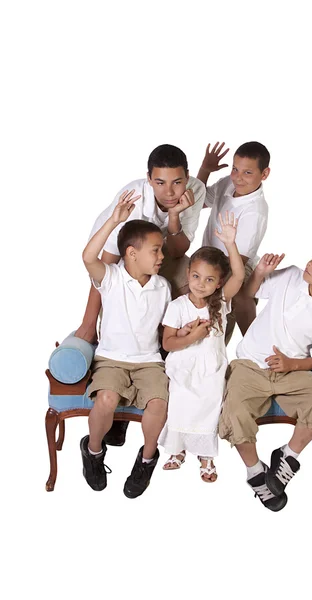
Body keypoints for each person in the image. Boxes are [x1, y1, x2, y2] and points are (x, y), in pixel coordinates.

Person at [76, 144, 205, 446]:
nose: (170, 191)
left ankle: (171, 366)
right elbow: (103, 263)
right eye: (160, 182)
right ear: (148, 179)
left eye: (177, 182)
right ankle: (119, 412)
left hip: (163, 252)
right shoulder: (132, 200)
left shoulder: (194, 191)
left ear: (187, 178)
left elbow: (177, 249)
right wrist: (88, 323)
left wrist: (173, 215)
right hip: (124, 249)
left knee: (193, 285)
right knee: (123, 296)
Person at [219, 241, 312, 510]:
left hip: (292, 370)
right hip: (250, 364)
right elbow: (247, 295)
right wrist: (260, 271)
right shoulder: (292, 276)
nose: (311, 263)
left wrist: (291, 365)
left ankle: (288, 456)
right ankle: (255, 472)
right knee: (235, 412)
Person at [80, 190, 171, 498]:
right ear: (132, 254)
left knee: (158, 403)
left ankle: (146, 460)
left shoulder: (163, 287)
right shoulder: (112, 277)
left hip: (149, 361)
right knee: (105, 400)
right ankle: (93, 452)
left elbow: (165, 329)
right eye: (156, 251)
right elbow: (88, 257)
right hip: (111, 359)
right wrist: (114, 220)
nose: (161, 257)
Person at [158, 212, 245, 482]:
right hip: (183, 366)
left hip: (212, 368)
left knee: (208, 408)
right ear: (188, 274)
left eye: (209, 280)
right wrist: (191, 337)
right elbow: (168, 343)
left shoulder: (220, 302)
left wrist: (231, 243)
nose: (201, 284)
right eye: (196, 276)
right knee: (181, 406)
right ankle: (177, 449)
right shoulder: (177, 306)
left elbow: (239, 276)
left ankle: (205, 457)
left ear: (219, 282)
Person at [197, 141, 270, 343]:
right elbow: (197, 202)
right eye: (235, 169)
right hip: (210, 261)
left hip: (236, 265)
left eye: (247, 173)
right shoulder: (228, 184)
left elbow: (236, 266)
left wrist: (207, 284)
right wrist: (205, 169)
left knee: (219, 313)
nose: (238, 177)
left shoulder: (255, 212)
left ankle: (255, 350)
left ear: (264, 174)